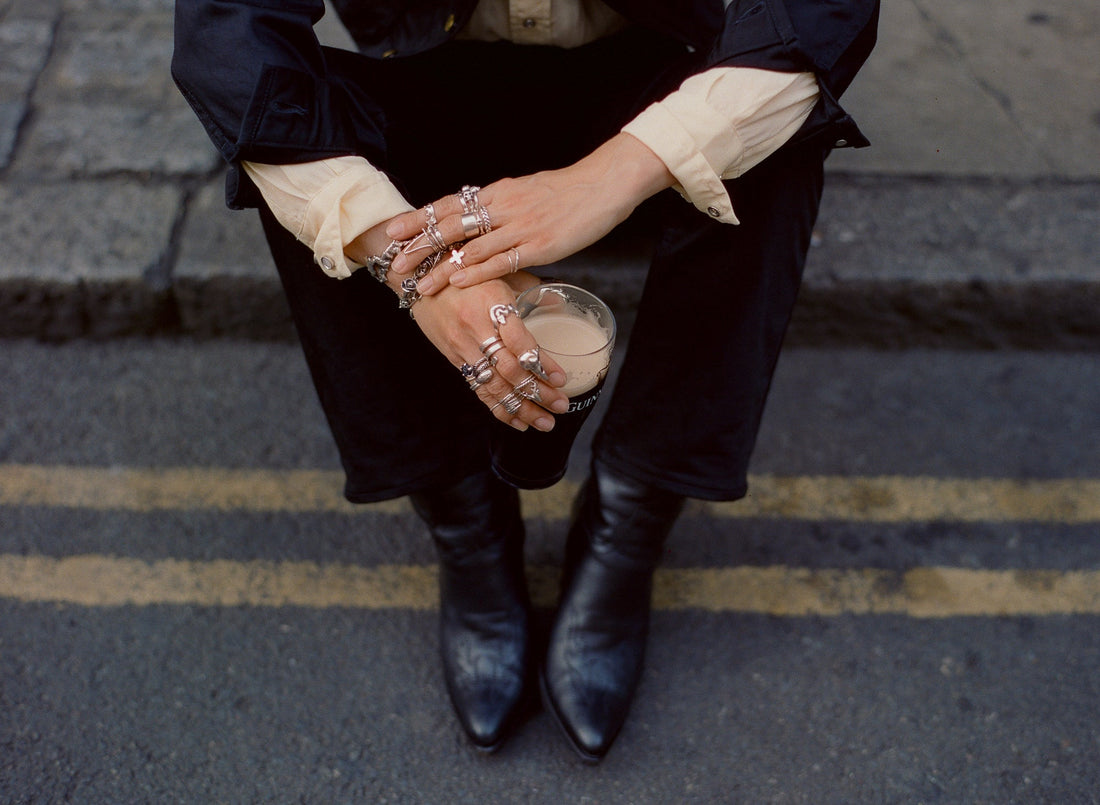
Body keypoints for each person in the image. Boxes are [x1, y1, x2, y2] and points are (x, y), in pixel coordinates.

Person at [172, 0, 879, 761]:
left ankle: (627, 528)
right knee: (293, 132)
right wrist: (413, 266)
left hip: (656, 67)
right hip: (425, 72)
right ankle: (467, 526)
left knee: (780, 127)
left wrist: (609, 177)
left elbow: (820, 13)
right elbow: (226, 32)